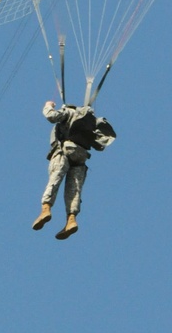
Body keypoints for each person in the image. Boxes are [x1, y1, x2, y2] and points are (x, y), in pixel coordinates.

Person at [33, 100, 116, 240]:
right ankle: (71, 220)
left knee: (55, 179)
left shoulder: (69, 112)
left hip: (64, 152)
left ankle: (46, 209)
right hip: (81, 156)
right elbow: (100, 145)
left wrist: (48, 106)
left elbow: (51, 117)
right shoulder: (92, 122)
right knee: (74, 190)